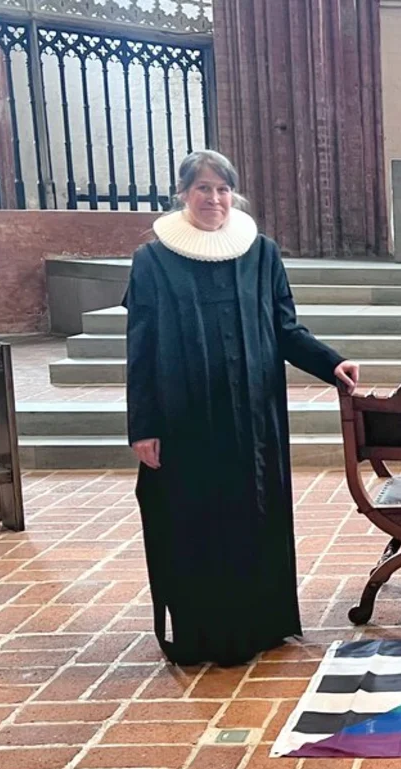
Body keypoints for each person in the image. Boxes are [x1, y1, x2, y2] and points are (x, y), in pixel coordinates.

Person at [124, 150, 360, 666]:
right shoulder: (152, 260)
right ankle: (205, 632)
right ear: (183, 193)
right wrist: (143, 427)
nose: (214, 199)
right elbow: (140, 348)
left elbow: (284, 328)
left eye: (222, 189)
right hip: (186, 420)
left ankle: (261, 622)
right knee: (197, 518)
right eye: (203, 188)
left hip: (254, 418)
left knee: (255, 513)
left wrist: (331, 364)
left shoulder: (261, 252)